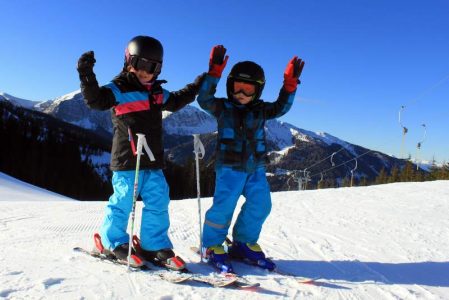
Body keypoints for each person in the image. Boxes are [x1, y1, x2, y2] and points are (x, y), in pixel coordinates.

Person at [77, 35, 204, 270]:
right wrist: (86, 74)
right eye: (142, 64)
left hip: (153, 160)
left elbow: (177, 100)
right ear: (129, 61)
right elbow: (95, 101)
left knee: (159, 200)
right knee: (123, 201)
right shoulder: (118, 89)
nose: (147, 72)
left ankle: (152, 245)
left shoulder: (157, 92)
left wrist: (199, 83)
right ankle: (111, 242)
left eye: (154, 67)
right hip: (127, 160)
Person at [197, 45, 304, 273]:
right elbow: (204, 99)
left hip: (256, 168)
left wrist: (289, 86)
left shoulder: (261, 110)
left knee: (261, 204)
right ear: (229, 86)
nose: (242, 95)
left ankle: (243, 243)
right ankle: (211, 245)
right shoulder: (223, 107)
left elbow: (281, 108)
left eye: (248, 90)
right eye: (237, 88)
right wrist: (213, 73)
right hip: (229, 168)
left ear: (258, 91)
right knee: (224, 207)